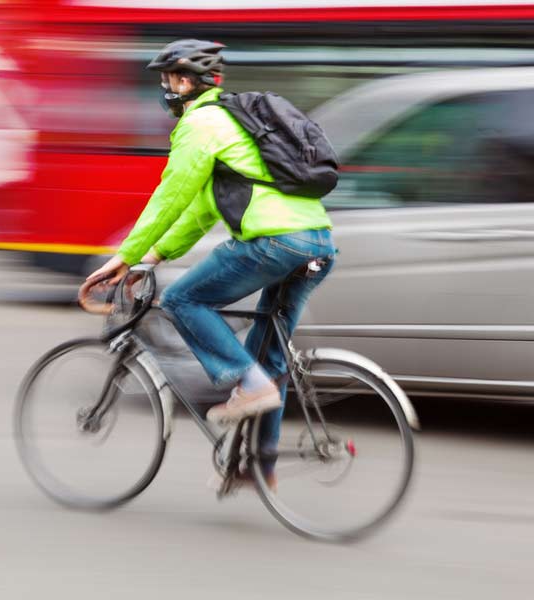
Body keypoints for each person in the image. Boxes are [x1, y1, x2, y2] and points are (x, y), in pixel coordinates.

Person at [86, 39, 336, 489]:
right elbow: (201, 209)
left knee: (183, 299)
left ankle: (247, 383)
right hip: (316, 244)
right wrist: (154, 255)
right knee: (268, 358)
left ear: (184, 81)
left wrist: (123, 257)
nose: (164, 90)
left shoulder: (201, 123)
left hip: (273, 244)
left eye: (166, 81)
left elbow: (170, 196)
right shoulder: (234, 123)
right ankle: (259, 465)